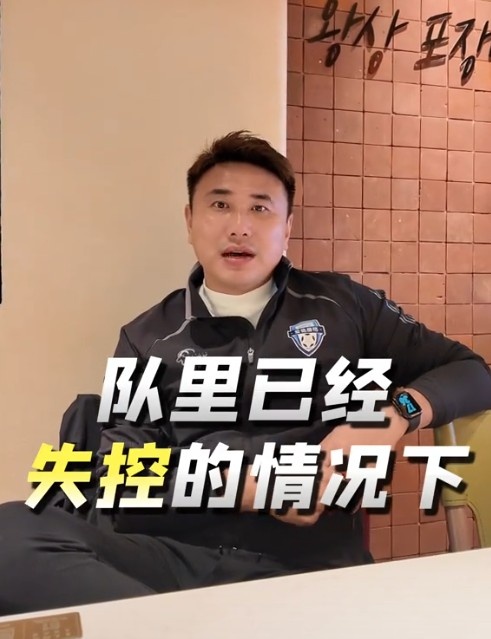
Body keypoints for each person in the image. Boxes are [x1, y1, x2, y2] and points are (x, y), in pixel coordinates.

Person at [1, 130, 490, 616]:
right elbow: (122, 472)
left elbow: (472, 372)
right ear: (190, 221)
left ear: (287, 227)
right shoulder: (148, 336)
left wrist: (394, 416)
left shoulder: (344, 306)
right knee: (12, 531)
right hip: (176, 564)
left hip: (312, 567)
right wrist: (252, 489)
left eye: (260, 208)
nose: (239, 227)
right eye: (220, 206)